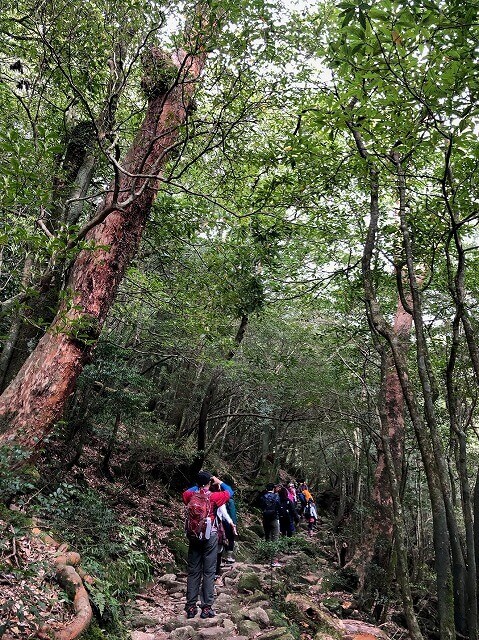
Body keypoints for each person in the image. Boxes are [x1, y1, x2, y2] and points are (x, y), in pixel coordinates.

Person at [183, 471, 233, 620]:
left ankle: (191, 607)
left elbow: (187, 492)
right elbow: (230, 491)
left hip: (194, 536)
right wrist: (218, 481)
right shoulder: (214, 497)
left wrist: (199, 484)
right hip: (210, 536)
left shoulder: (190, 495)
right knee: (209, 572)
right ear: (209, 483)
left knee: (193, 571)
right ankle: (206, 608)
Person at [260, 482, 281, 567]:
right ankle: (273, 560)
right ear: (273, 488)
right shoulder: (276, 497)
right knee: (275, 538)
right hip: (274, 519)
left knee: (267, 537)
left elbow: (261, 507)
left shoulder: (262, 497)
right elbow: (279, 507)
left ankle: (266, 557)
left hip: (265, 519)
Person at [215, 502, 237, 578]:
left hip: (206, 528)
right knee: (229, 540)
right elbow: (230, 514)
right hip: (222, 525)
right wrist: (233, 524)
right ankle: (228, 557)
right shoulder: (226, 501)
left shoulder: (206, 498)